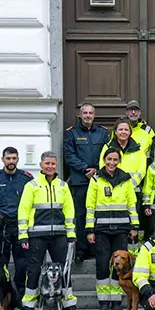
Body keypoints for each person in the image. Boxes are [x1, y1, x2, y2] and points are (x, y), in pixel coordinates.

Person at [18, 151, 79, 310]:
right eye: (47, 163)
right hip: (37, 234)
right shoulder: (32, 185)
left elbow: (69, 210)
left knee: (64, 271)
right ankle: (30, 307)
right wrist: (23, 235)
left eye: (53, 164)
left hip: (60, 234)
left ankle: (69, 306)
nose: (50, 166)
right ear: (41, 165)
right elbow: (23, 210)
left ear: (56, 166)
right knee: (34, 270)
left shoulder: (62, 186)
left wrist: (71, 234)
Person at [86, 148, 139, 310]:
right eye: (109, 159)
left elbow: (132, 203)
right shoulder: (96, 179)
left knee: (121, 267)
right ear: (104, 160)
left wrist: (134, 226)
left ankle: (116, 302)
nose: (112, 163)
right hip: (101, 229)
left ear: (119, 161)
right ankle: (103, 302)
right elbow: (90, 205)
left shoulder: (126, 179)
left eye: (115, 160)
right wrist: (90, 229)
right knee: (103, 265)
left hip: (122, 229)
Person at [0, 146, 33, 310]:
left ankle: (19, 298)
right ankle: (0, 300)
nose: (11, 161)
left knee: (22, 265)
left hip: (20, 228)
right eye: (8, 158)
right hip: (0, 230)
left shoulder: (26, 178)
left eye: (14, 158)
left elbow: (34, 201)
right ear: (2, 159)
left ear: (17, 159)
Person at [64, 103, 109, 262]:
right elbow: (69, 156)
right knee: (81, 215)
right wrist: (85, 169)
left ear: (94, 115)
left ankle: (97, 248)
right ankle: (82, 250)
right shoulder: (71, 133)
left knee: (98, 215)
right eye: (85, 113)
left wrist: (96, 169)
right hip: (80, 181)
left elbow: (108, 154)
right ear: (80, 115)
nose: (88, 115)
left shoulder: (103, 133)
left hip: (99, 180)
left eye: (90, 113)